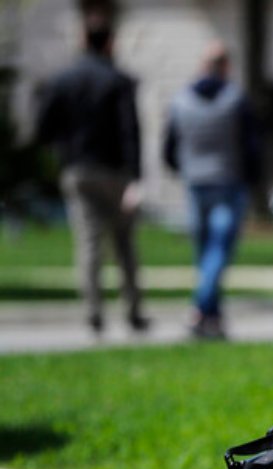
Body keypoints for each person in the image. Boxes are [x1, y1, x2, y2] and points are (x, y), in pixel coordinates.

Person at [36, 12, 148, 334]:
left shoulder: (62, 81)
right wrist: (136, 178)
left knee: (88, 244)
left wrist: (64, 148)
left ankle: (94, 311)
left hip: (79, 170)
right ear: (111, 43)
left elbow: (44, 130)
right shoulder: (119, 81)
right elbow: (131, 131)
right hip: (115, 172)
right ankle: (133, 309)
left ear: (83, 40)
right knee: (125, 244)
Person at [163, 41, 261, 339]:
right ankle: (200, 308)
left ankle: (213, 320)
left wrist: (185, 169)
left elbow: (168, 148)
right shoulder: (236, 100)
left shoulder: (180, 101)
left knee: (205, 254)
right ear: (226, 66)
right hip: (228, 184)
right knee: (218, 252)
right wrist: (252, 180)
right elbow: (252, 147)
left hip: (195, 184)